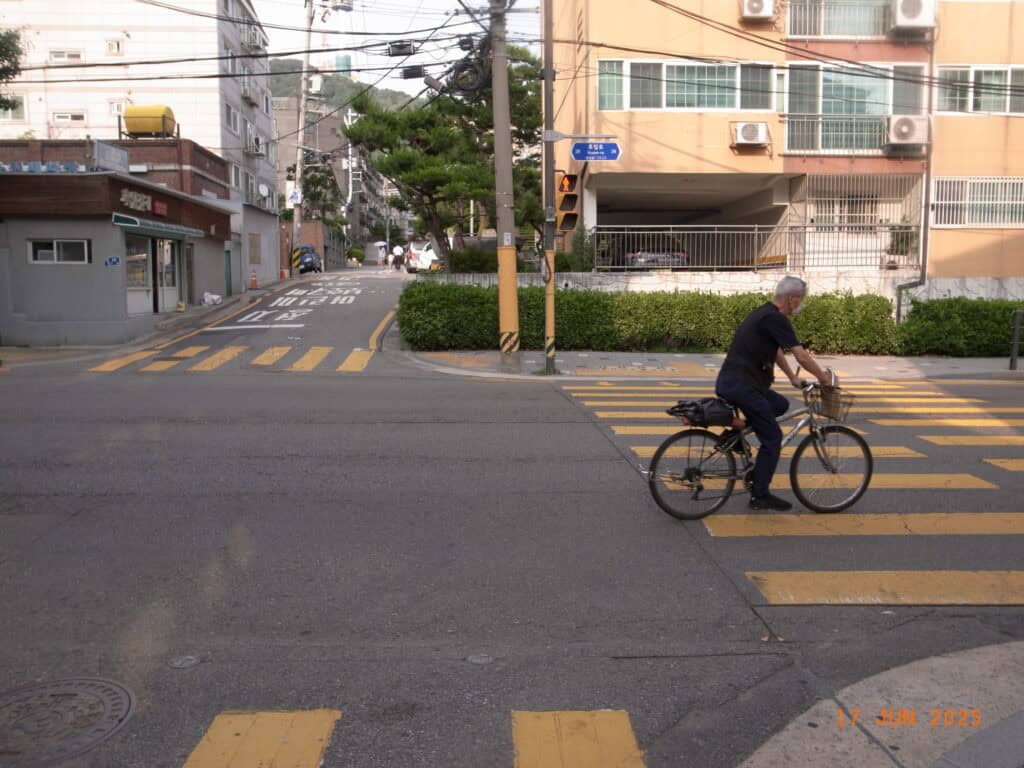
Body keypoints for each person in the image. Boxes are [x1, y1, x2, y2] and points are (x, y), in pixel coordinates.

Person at [716, 276, 832, 512]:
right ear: (792, 299)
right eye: (801, 300)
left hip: (737, 383)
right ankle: (760, 495)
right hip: (743, 386)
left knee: (779, 405)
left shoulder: (764, 313)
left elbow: (776, 351)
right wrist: (823, 378)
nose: (801, 304)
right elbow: (801, 356)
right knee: (772, 438)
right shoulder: (776, 318)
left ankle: (736, 437)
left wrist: (792, 377)